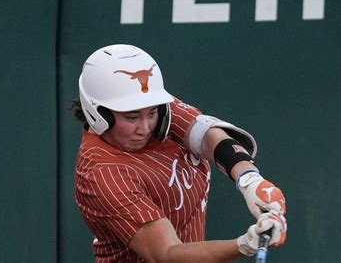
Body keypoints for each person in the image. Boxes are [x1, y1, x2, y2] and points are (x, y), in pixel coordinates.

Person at [71, 44, 287, 262]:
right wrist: (244, 244)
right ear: (98, 114)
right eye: (132, 118)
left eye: (152, 113)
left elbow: (208, 137)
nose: (145, 127)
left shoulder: (152, 106)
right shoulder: (104, 174)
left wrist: (250, 180)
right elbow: (167, 255)